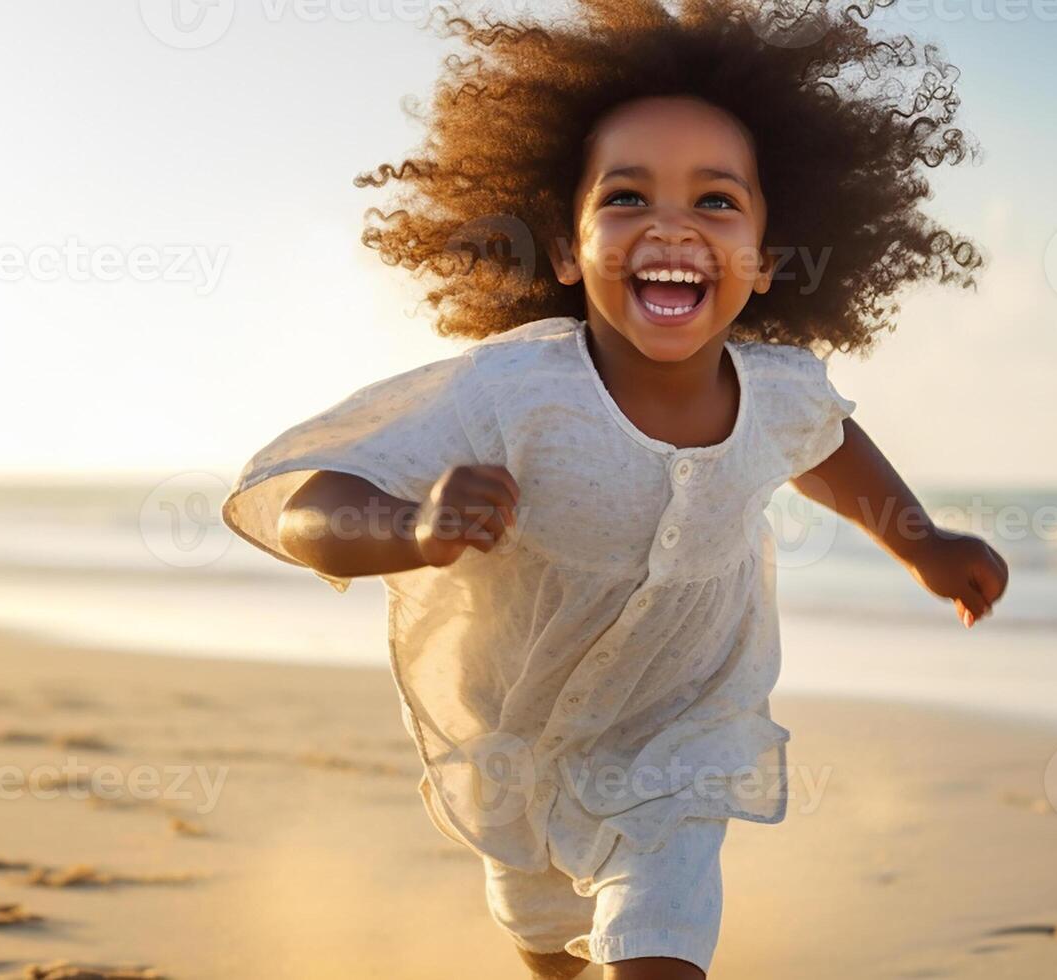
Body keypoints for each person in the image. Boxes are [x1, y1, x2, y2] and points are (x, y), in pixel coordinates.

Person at [221, 2, 1009, 976]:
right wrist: (408, 524)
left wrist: (921, 541)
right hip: (516, 750)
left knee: (656, 947)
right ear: (565, 247)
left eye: (716, 201)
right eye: (627, 197)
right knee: (547, 941)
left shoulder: (776, 392)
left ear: (767, 258)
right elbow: (307, 505)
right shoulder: (512, 391)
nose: (671, 223)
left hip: (681, 746)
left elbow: (829, 443)